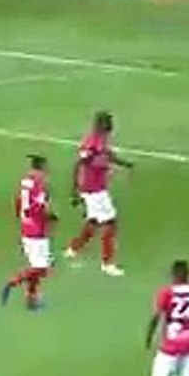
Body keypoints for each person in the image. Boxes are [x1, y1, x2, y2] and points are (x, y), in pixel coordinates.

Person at [64, 110, 134, 276]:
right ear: (101, 124)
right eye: (108, 122)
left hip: (99, 188)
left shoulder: (102, 139)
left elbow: (108, 154)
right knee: (111, 224)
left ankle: (73, 249)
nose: (112, 125)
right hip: (92, 190)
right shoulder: (91, 142)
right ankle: (107, 263)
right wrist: (74, 191)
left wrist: (125, 164)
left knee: (94, 222)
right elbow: (78, 165)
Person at [1, 154, 57, 311]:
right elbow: (39, 207)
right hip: (36, 230)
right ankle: (11, 283)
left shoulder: (25, 181)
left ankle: (31, 299)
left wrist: (21, 216)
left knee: (37, 265)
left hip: (27, 225)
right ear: (42, 166)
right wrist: (50, 217)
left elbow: (19, 202)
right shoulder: (40, 183)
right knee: (41, 268)